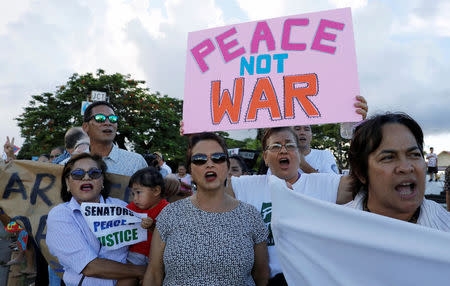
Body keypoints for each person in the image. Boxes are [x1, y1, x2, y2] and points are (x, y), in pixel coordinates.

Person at [143, 133, 269, 286]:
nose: (210, 164)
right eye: (200, 159)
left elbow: (261, 275)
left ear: (227, 166)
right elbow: (154, 273)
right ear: (190, 171)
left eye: (218, 158)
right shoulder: (170, 214)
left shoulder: (250, 215)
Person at [46, 153, 146, 285]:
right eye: (77, 174)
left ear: (102, 181)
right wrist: (143, 271)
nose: (86, 177)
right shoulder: (60, 215)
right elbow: (89, 266)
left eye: (94, 173)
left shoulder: (122, 207)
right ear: (67, 183)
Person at [346, 113, 450, 230]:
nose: (406, 168)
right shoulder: (336, 230)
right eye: (388, 157)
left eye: (414, 154)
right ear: (361, 173)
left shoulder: (445, 225)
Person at [82, 101, 147, 176]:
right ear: (85, 126)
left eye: (112, 119)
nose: (108, 123)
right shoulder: (71, 164)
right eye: (100, 118)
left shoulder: (136, 162)